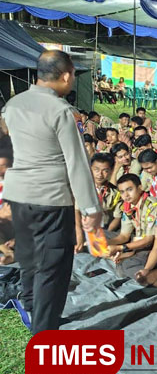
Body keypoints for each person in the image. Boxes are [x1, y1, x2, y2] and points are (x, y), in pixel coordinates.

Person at [1, 50, 102, 333]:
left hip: (17, 196)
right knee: (53, 266)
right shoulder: (61, 112)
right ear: (66, 75)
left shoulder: (12, 105)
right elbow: (77, 163)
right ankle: (43, 332)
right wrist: (91, 209)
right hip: (50, 199)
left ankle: (31, 302)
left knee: (29, 255)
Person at [107, 174, 157, 279]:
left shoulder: (152, 206)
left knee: (126, 266)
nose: (126, 195)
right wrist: (105, 244)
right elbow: (124, 236)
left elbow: (149, 240)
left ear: (140, 188)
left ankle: (154, 275)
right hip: (138, 242)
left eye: (129, 189)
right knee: (102, 236)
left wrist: (121, 248)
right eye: (122, 192)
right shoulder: (127, 207)